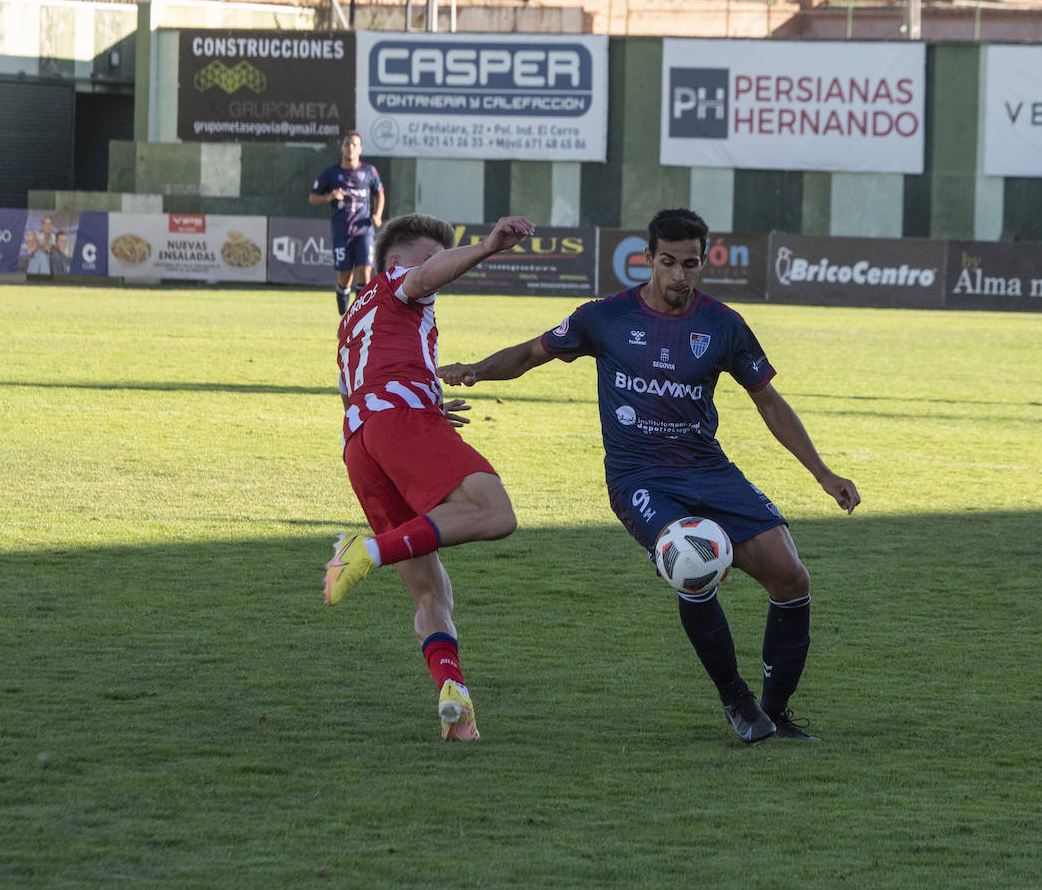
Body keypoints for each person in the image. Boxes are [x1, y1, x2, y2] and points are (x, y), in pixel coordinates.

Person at [438, 208, 860, 743]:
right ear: (648, 259)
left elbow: (769, 403)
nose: (679, 276)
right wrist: (475, 369)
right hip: (640, 479)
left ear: (703, 262)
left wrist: (822, 474)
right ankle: (737, 702)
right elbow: (529, 353)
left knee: (791, 577)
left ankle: (776, 714)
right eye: (668, 262)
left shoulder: (723, 325)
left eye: (690, 264)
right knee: (692, 566)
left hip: (709, 469)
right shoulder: (605, 317)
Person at [324, 211, 537, 742]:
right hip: (398, 423)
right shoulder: (400, 281)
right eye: (429, 256)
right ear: (395, 262)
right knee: (495, 512)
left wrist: (424, 397)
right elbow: (422, 278)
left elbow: (364, 387)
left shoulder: (353, 317)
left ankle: (455, 700)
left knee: (429, 591)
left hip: (361, 443)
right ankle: (364, 551)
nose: (436, 267)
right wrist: (487, 247)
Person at [309, 131, 385, 316]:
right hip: (342, 230)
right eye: (347, 144)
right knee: (344, 277)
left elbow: (380, 193)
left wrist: (378, 214)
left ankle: (360, 321)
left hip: (364, 230)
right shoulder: (332, 173)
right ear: (341, 148)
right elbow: (312, 197)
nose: (350, 147)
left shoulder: (369, 171)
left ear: (360, 148)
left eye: (354, 144)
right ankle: (344, 320)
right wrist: (329, 196)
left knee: (365, 275)